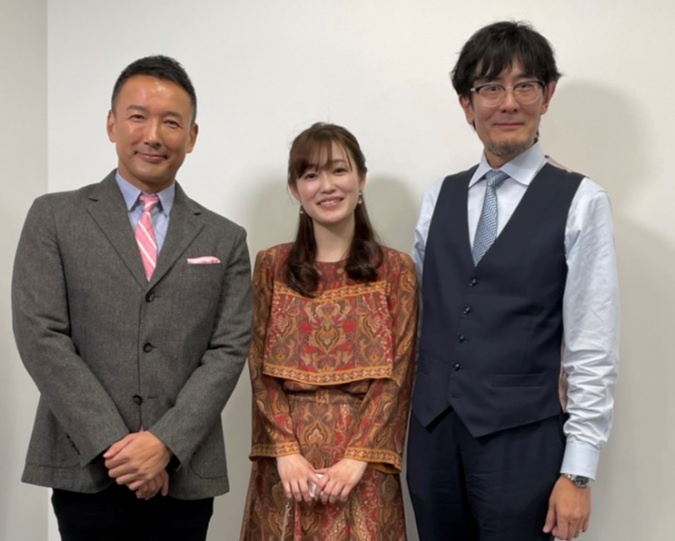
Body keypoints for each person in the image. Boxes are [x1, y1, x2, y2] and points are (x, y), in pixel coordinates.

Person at [11, 55, 252, 541]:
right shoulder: (54, 217)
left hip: (183, 473)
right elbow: (41, 335)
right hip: (86, 469)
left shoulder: (225, 238)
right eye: (138, 116)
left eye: (171, 122)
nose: (153, 135)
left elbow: (228, 349)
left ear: (192, 136)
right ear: (112, 124)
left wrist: (165, 443)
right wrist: (119, 449)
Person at [406, 21, 619, 541]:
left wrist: (578, 472)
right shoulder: (438, 198)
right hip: (433, 439)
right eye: (490, 88)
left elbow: (593, 343)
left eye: (525, 85)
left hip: (524, 444)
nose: (508, 103)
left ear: (547, 95)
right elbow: (421, 315)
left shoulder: (581, 201)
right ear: (467, 104)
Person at [239, 122, 418, 540]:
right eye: (311, 174)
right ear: (295, 189)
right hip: (287, 470)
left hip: (364, 468)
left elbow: (399, 375)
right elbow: (259, 368)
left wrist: (356, 459)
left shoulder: (396, 270)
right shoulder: (271, 266)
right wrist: (286, 452)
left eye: (339, 170)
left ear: (361, 179)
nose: (327, 186)